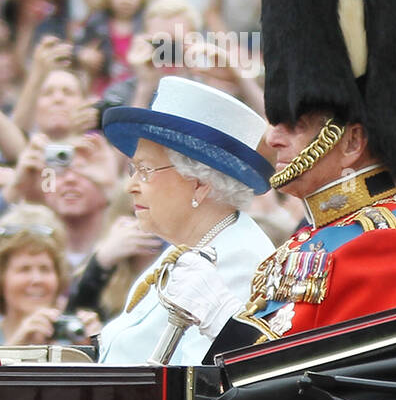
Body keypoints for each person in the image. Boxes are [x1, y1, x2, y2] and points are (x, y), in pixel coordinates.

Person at [161, 0, 396, 347]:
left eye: (293, 125)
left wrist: (220, 320)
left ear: (351, 141)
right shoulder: (315, 236)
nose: (273, 136)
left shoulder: (386, 246)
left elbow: (319, 388)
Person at [94, 77, 276, 364]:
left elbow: (195, 389)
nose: (131, 186)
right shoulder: (191, 246)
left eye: (145, 170)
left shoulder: (237, 261)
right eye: (133, 169)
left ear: (199, 184)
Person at [0, 206, 98, 347]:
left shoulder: (76, 333)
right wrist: (16, 346)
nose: (37, 279)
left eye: (45, 269)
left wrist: (94, 350)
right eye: (24, 269)